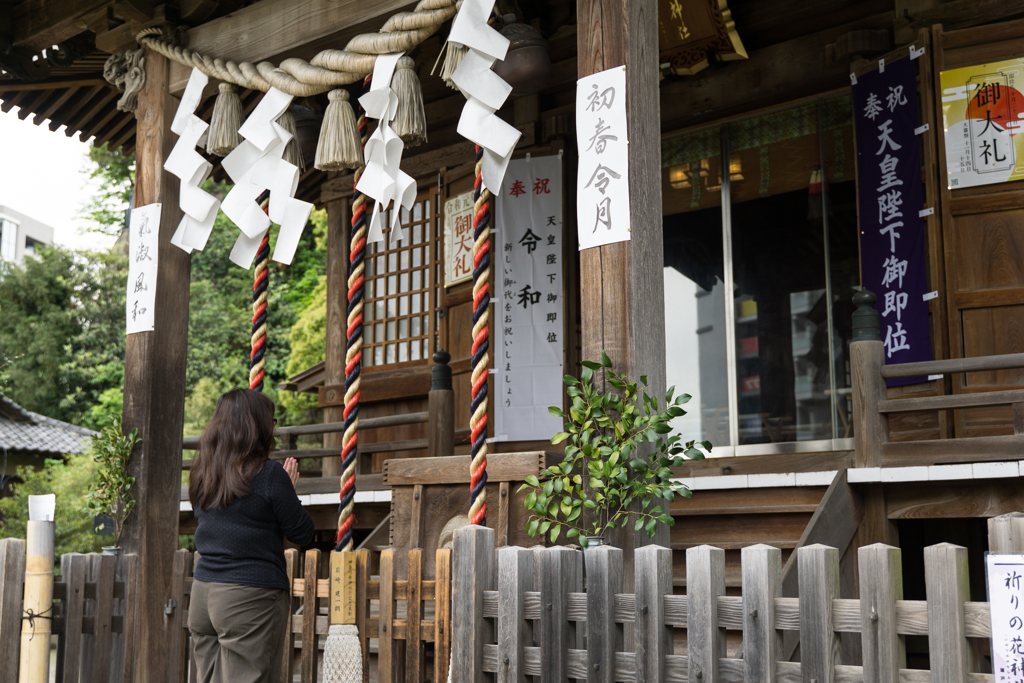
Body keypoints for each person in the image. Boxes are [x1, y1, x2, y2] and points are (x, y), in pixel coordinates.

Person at [187, 388, 315, 683]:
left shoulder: (203, 472)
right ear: (257, 425)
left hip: (204, 594)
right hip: (248, 595)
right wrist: (289, 494)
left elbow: (206, 520)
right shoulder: (269, 474)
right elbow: (302, 532)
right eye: (271, 421)